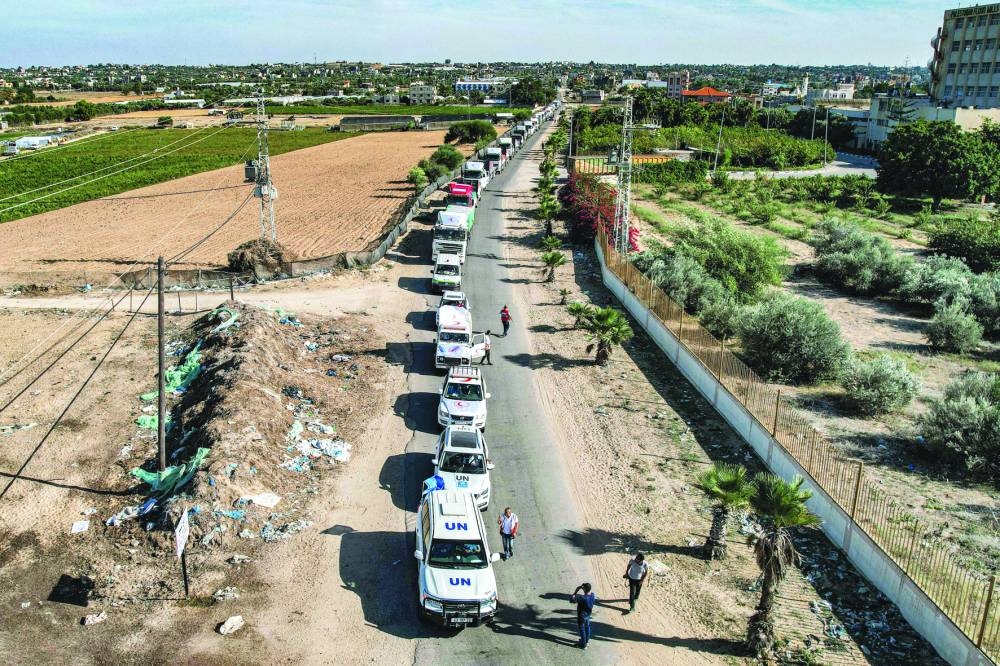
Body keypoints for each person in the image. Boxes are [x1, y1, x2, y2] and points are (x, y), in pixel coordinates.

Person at [570, 583, 596, 649]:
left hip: (582, 616)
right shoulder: (593, 595)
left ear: (584, 589)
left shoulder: (582, 598)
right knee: (587, 627)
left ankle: (583, 645)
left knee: (582, 629)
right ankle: (586, 641)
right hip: (588, 614)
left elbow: (572, 600)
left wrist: (575, 592)